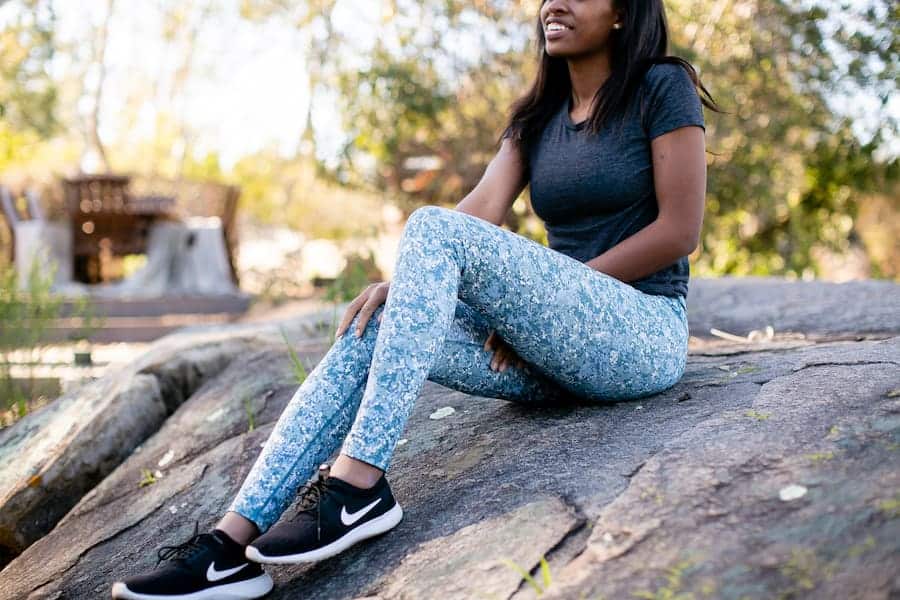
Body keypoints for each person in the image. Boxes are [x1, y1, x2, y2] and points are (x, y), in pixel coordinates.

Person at [111, 0, 722, 597]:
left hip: (638, 335)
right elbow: (478, 215)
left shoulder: (660, 85)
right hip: (547, 359)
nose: (553, 5)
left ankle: (358, 483)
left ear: (622, 11)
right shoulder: (537, 115)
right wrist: (407, 289)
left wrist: (546, 311)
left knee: (429, 229)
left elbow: (678, 231)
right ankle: (228, 548)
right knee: (377, 321)